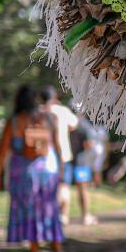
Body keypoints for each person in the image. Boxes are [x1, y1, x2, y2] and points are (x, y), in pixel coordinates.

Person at [0, 85, 64, 252]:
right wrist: (62, 171)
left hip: (24, 173)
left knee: (30, 213)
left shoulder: (15, 121)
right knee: (50, 210)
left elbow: (3, 151)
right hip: (48, 171)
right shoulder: (48, 118)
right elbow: (57, 148)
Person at [42, 86, 80, 224]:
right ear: (54, 98)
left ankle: (51, 214)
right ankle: (63, 215)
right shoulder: (62, 110)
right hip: (64, 154)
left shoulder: (39, 112)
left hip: (44, 156)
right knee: (64, 186)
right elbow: (74, 124)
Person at [69, 116, 106, 226]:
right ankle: (85, 215)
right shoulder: (88, 126)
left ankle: (85, 215)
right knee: (83, 189)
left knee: (83, 189)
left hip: (82, 163)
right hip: (83, 163)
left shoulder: (82, 124)